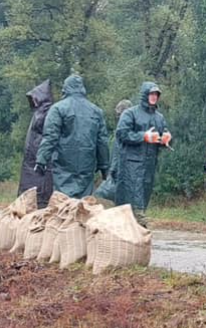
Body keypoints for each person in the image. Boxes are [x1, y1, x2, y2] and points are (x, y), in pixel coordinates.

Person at [34, 75, 109, 198]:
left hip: (64, 163)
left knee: (63, 201)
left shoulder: (58, 109)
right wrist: (104, 166)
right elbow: (102, 141)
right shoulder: (96, 111)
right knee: (83, 202)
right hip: (87, 162)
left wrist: (41, 159)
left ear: (66, 88)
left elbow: (50, 137)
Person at [115, 82, 171, 227]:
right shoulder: (130, 113)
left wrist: (166, 138)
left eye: (156, 94)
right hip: (131, 163)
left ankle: (137, 223)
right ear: (145, 94)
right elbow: (122, 133)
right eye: (151, 94)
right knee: (135, 195)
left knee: (145, 193)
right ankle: (140, 223)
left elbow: (163, 133)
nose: (154, 97)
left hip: (150, 163)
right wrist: (143, 137)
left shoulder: (159, 118)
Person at [18, 80, 55, 207]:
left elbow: (47, 134)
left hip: (38, 156)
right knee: (30, 189)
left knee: (38, 190)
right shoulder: (39, 112)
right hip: (32, 156)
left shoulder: (46, 112)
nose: (33, 101)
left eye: (35, 98)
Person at [94, 99, 133, 201]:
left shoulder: (124, 131)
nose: (117, 117)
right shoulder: (131, 130)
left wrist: (112, 170)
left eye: (119, 114)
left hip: (120, 173)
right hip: (126, 173)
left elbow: (118, 152)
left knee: (100, 196)